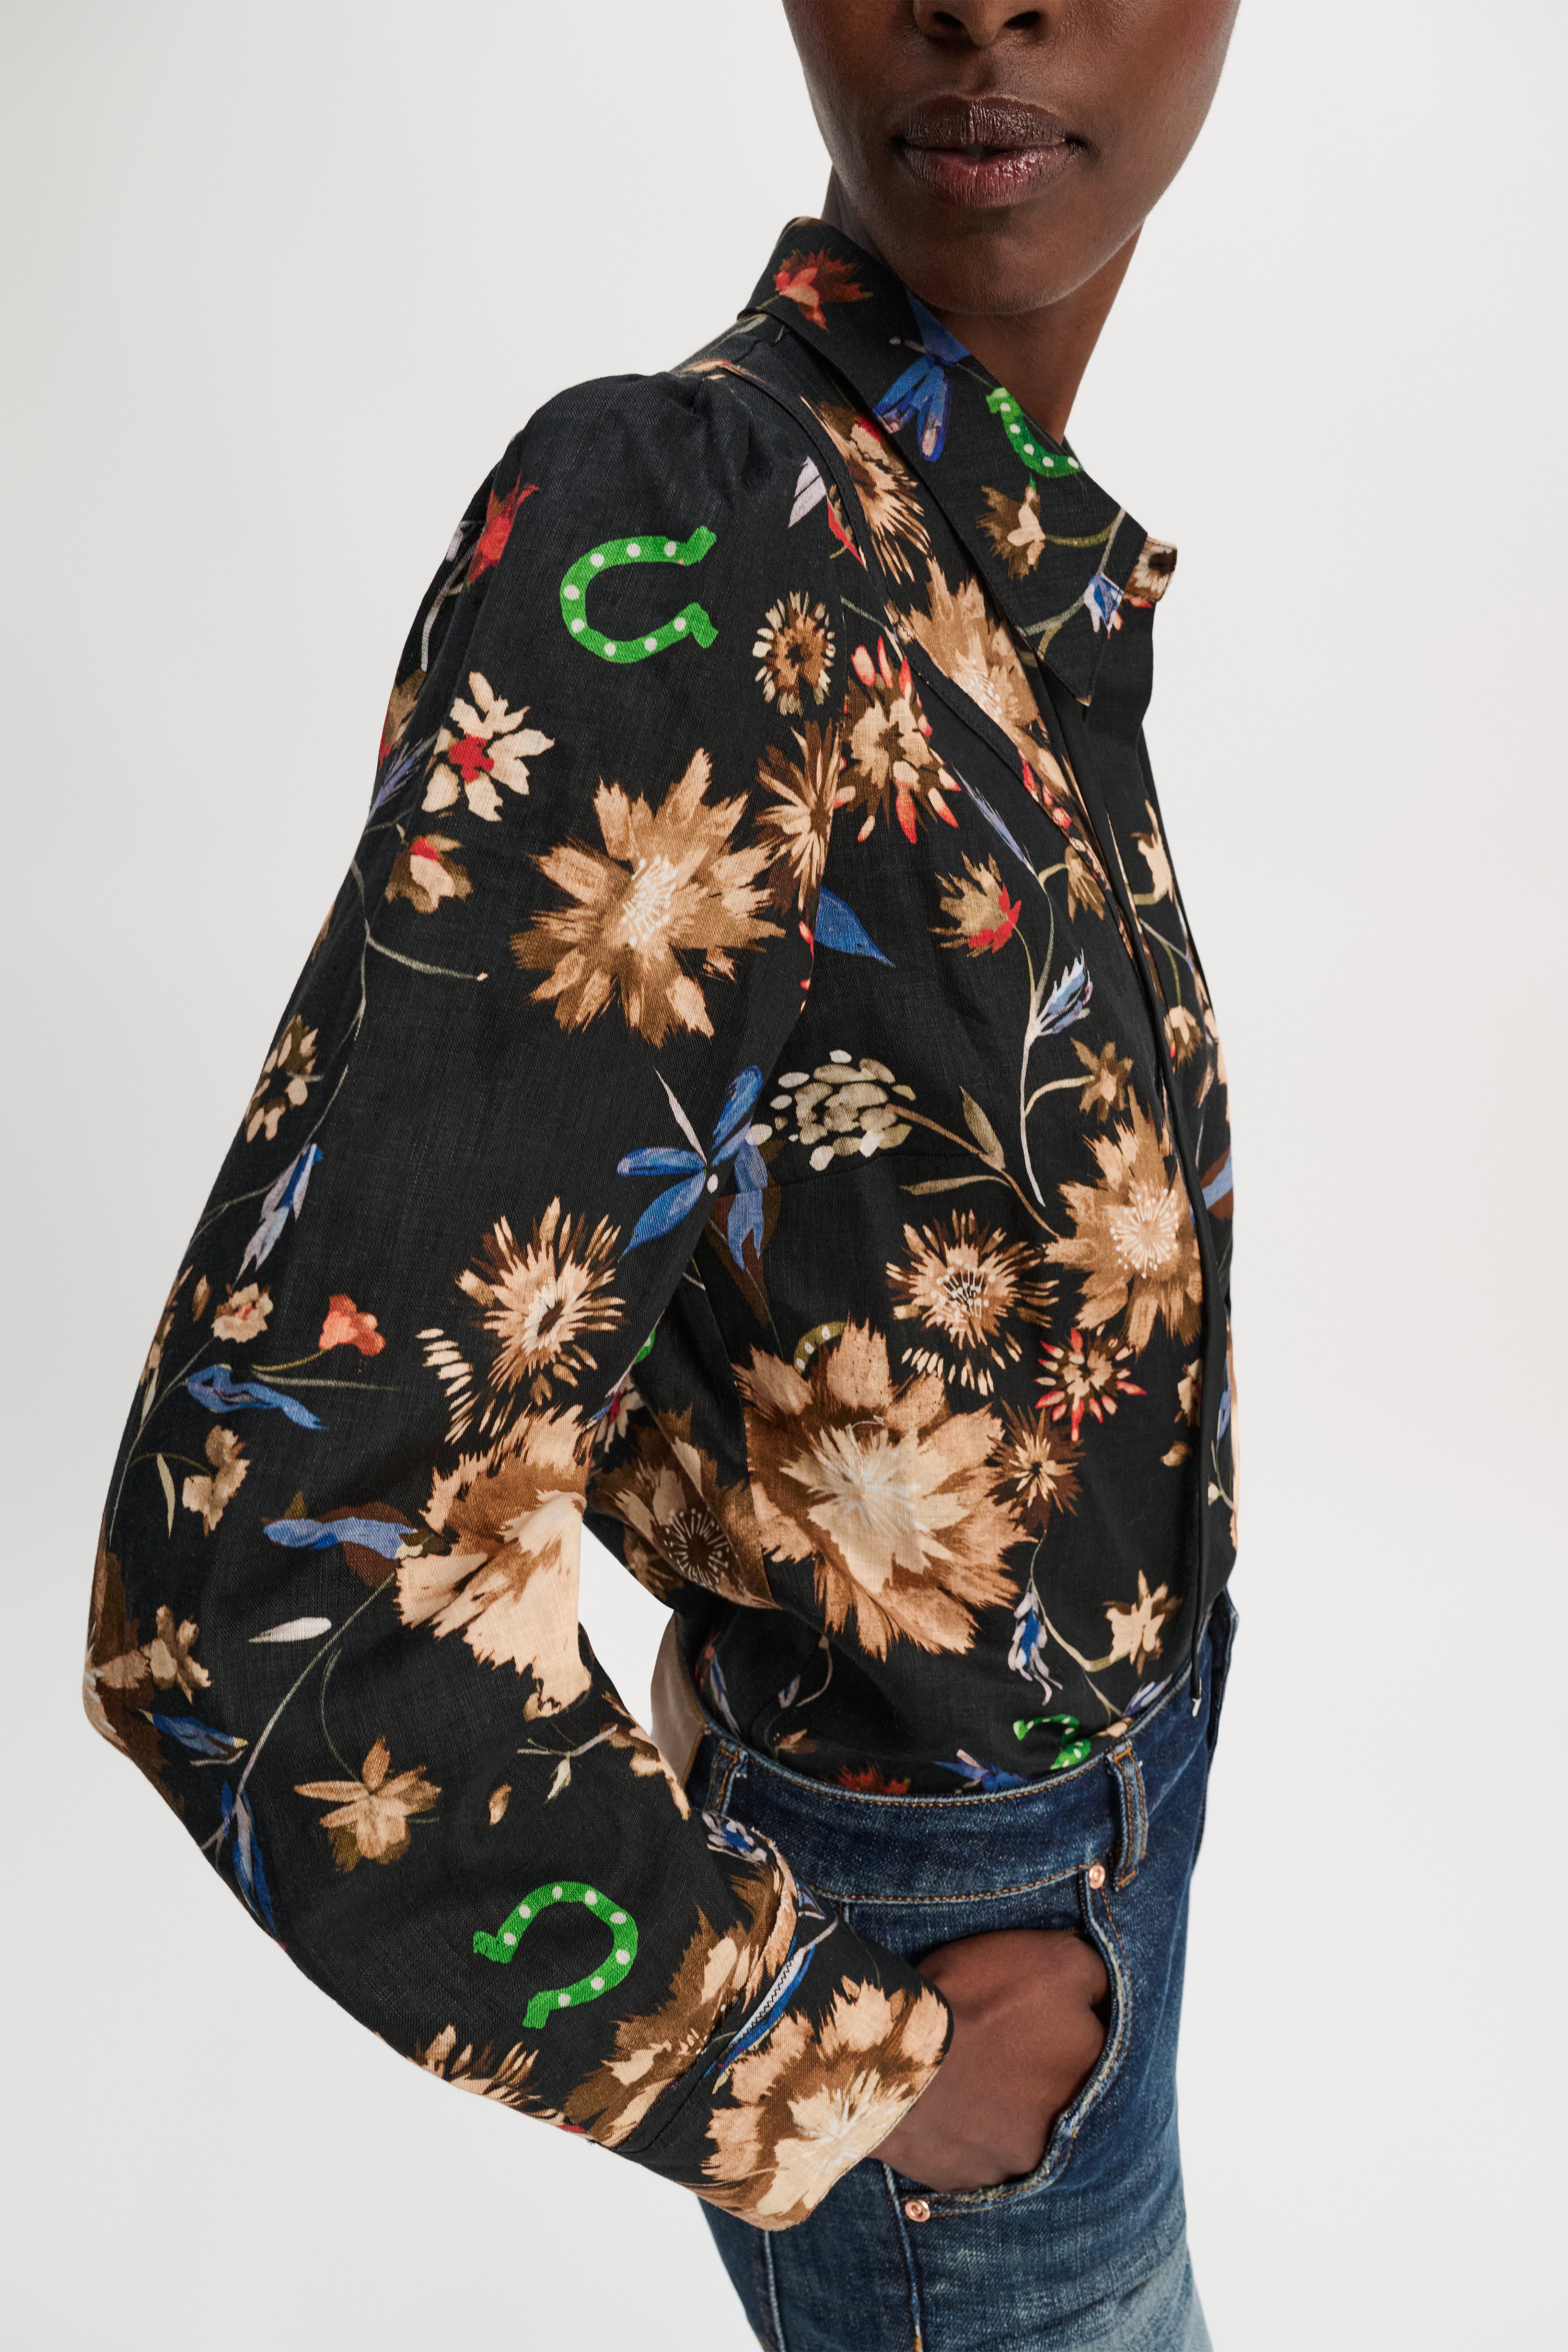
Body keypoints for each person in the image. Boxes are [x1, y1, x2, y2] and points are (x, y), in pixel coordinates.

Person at [84, 4, 1242, 2344]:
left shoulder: (966, 537)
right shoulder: (696, 526)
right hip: (947, 2001)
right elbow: (257, 1588)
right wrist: (821, 2064)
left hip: (1067, 1898)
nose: (984, 3)